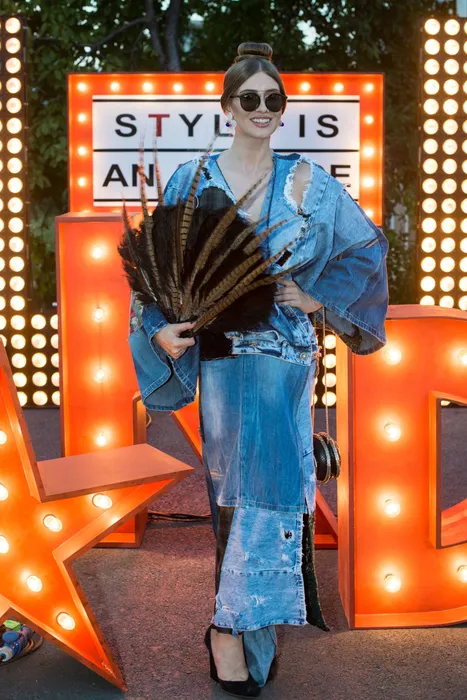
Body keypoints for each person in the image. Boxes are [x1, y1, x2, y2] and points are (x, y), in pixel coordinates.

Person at [128, 41, 389, 697]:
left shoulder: (308, 182)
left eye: (274, 99)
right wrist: (158, 328)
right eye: (250, 99)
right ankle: (234, 627)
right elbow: (153, 270)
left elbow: (365, 249)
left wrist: (317, 296)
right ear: (227, 107)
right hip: (225, 361)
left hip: (289, 358)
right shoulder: (193, 181)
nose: (262, 108)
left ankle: (242, 629)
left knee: (277, 490)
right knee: (239, 492)